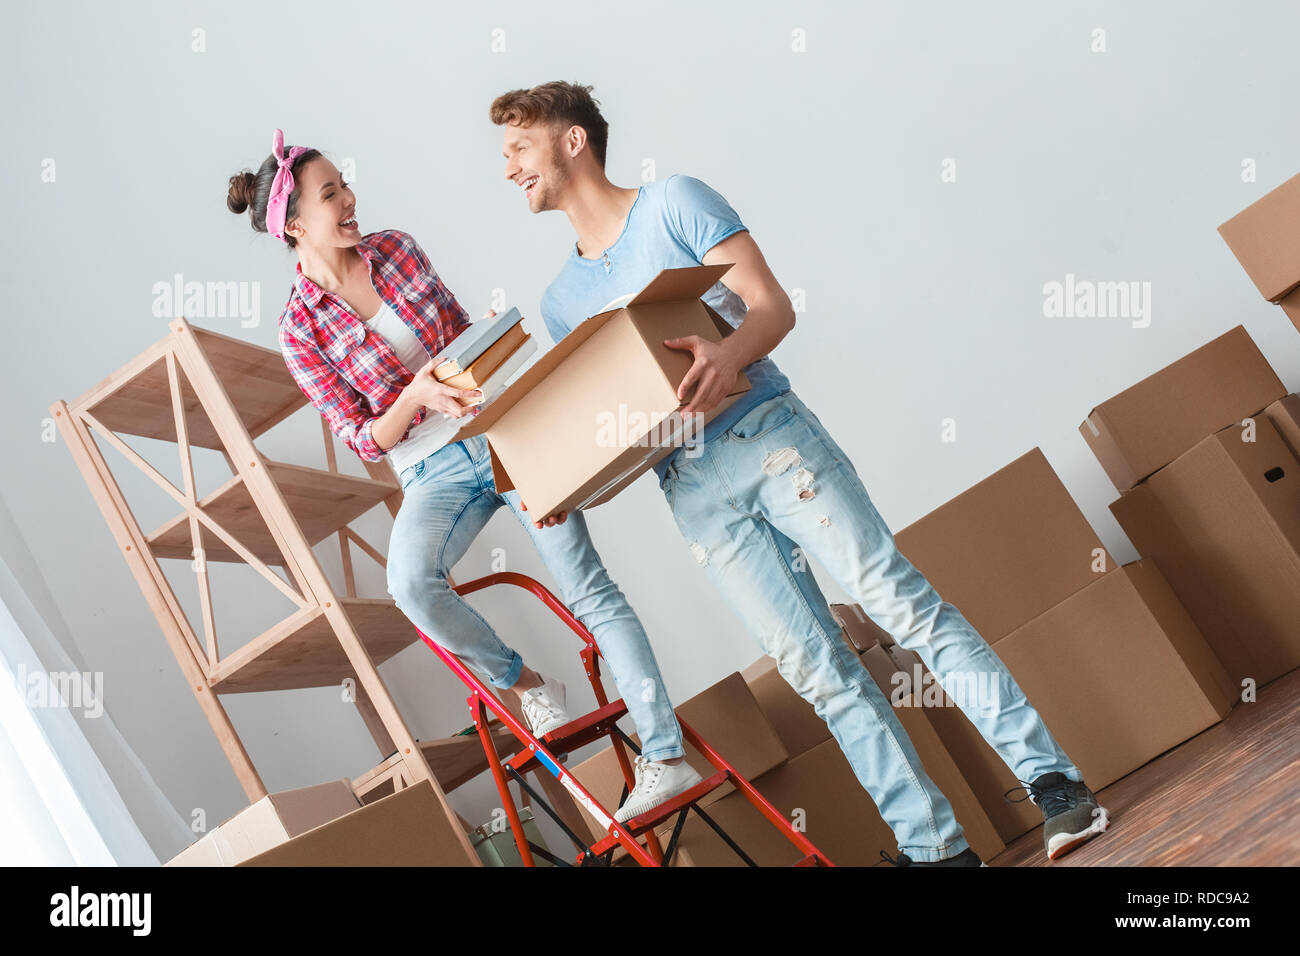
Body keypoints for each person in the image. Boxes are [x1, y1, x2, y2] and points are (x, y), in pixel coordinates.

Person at [490, 84, 1112, 864]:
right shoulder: (560, 301)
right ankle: (937, 852)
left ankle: (1057, 787)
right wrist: (567, 487)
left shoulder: (674, 203)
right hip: (690, 491)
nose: (508, 168)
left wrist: (729, 351)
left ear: (573, 140)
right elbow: (620, 429)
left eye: (518, 147)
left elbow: (771, 306)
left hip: (770, 438)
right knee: (819, 674)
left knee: (903, 608)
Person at [226, 129, 702, 824]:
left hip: (504, 427)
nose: (351, 199)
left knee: (588, 588)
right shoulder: (298, 329)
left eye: (346, 184)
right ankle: (527, 683)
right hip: (430, 470)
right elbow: (362, 437)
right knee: (410, 583)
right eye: (332, 195)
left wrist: (480, 346)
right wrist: (416, 395)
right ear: (295, 225)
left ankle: (667, 757)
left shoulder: (396, 248)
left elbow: (457, 332)